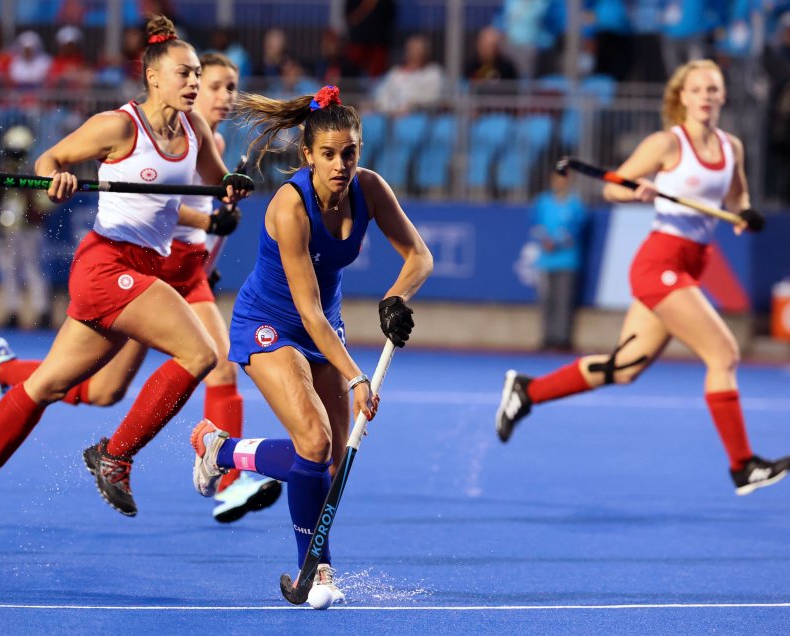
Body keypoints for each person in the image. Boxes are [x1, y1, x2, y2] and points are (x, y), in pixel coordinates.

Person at [0, 15, 254, 552]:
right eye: (185, 73)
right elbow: (51, 159)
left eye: (199, 73)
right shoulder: (120, 126)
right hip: (108, 265)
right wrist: (55, 178)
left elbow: (217, 181)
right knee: (202, 354)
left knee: (51, 386)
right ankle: (116, 455)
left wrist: (232, 187)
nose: (195, 83)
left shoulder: (194, 129)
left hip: (142, 270)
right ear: (154, 78)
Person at [495, 60, 787, 496]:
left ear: (723, 96)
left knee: (624, 368)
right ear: (682, 97)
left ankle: (528, 391)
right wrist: (637, 190)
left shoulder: (732, 148)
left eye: (714, 89)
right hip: (659, 263)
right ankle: (743, 465)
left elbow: (737, 194)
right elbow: (613, 185)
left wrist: (743, 213)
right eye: (698, 89)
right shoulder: (667, 144)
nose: (707, 95)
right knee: (723, 353)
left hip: (692, 265)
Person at [187, 85, 433, 602]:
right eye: (328, 154)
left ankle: (222, 448)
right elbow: (308, 312)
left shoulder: (370, 188)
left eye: (350, 153)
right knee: (316, 444)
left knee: (331, 461)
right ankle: (315, 573)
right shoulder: (290, 207)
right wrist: (357, 376)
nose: (340, 164)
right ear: (308, 156)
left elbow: (419, 257)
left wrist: (394, 299)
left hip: (326, 325)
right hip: (270, 324)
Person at [0, 125, 56, 329]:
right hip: (7, 228)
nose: (15, 157)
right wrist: (2, 183)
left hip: (30, 228)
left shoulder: (35, 170)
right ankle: (12, 311)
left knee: (33, 269)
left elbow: (46, 204)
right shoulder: (1, 170)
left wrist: (27, 188)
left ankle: (42, 312)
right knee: (8, 270)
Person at [531, 169, 587, 351]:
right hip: (546, 261)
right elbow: (535, 225)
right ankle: (547, 337)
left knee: (564, 301)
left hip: (567, 260)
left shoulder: (576, 204)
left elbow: (576, 229)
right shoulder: (543, 202)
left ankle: (562, 339)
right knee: (547, 301)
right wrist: (545, 240)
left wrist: (556, 242)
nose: (558, 182)